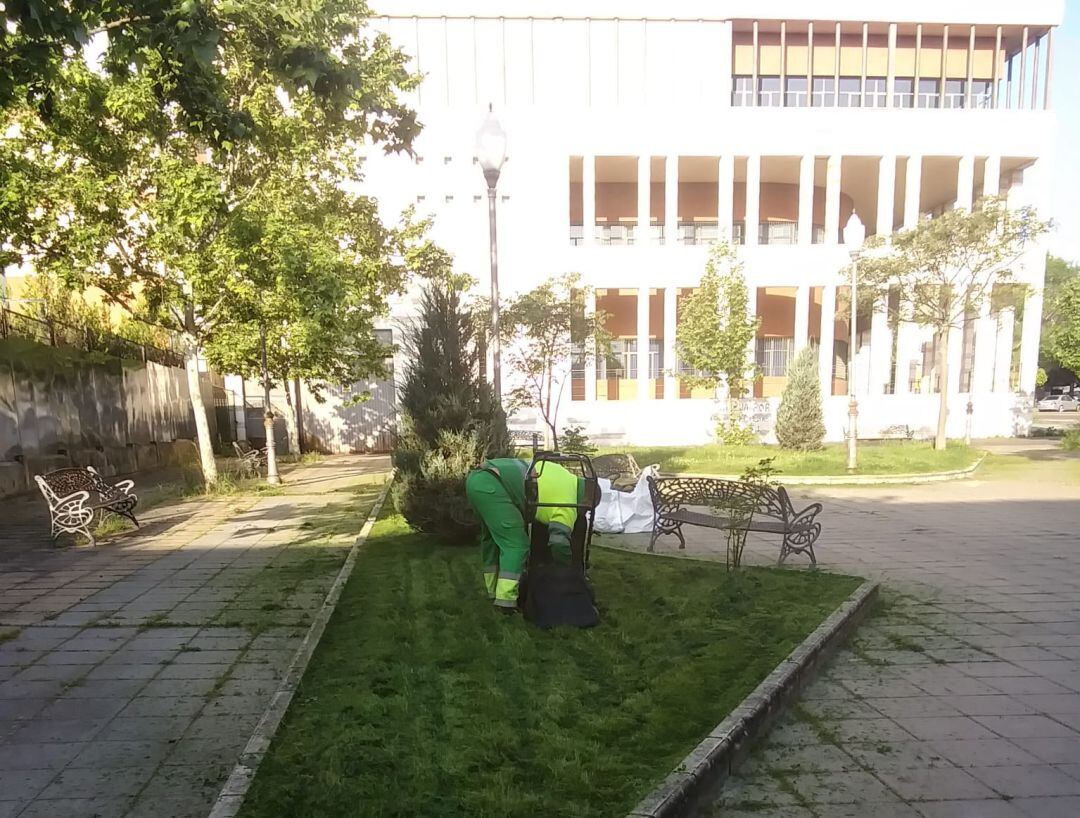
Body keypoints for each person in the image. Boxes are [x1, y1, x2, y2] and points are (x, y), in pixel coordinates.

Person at [464, 457, 582, 611]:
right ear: (587, 497)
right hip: (494, 487)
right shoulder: (569, 503)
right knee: (516, 544)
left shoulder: (562, 473)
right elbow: (558, 543)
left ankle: (493, 591)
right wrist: (566, 569)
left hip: (478, 479)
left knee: (492, 539)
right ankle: (505, 602)